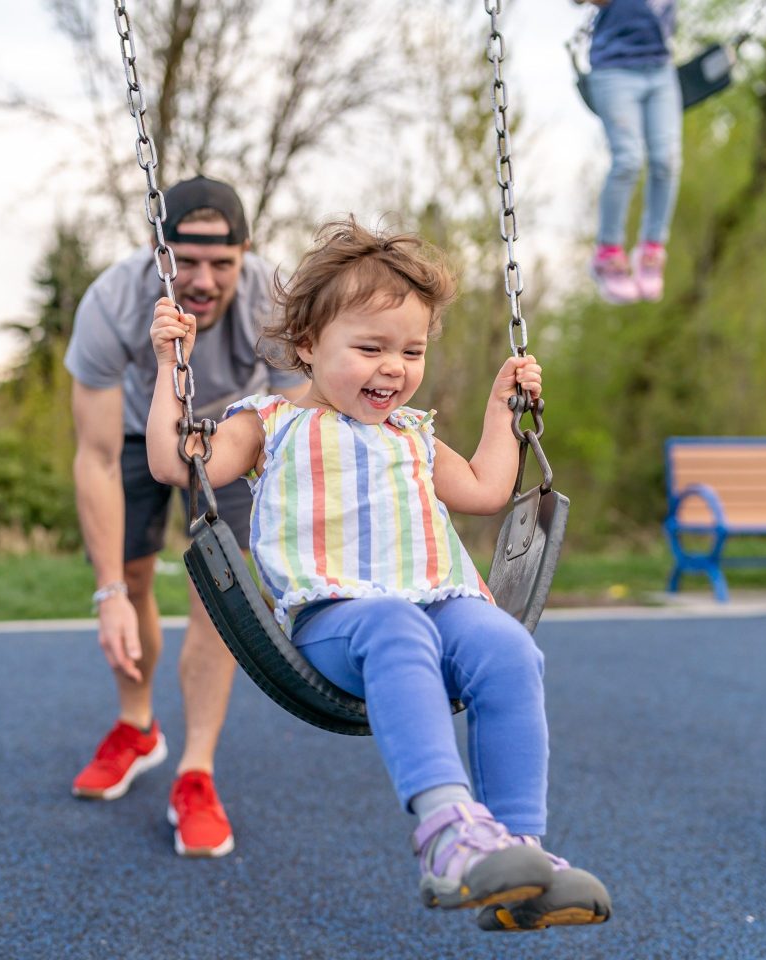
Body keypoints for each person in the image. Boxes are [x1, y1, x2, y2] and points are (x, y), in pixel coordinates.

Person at [145, 219, 612, 930]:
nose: (394, 366)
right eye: (370, 348)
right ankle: (446, 833)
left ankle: (518, 856)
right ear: (307, 346)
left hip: (440, 602)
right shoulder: (268, 423)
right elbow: (177, 464)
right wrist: (166, 367)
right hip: (339, 619)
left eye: (411, 350)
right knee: (396, 628)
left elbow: (489, 489)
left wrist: (501, 411)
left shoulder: (414, 435)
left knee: (509, 647)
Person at [63, 176, 308, 858]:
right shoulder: (112, 301)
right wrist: (108, 588)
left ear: (246, 254)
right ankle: (137, 727)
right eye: (185, 262)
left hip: (233, 430)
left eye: (220, 264)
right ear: (156, 250)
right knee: (132, 580)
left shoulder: (274, 301)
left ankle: (195, 771)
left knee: (219, 594)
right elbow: (97, 456)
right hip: (145, 431)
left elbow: (303, 423)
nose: (201, 281)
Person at [578, 0, 681, 304]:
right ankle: (607, 253)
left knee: (667, 160)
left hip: (661, 68)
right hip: (615, 67)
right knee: (628, 159)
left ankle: (652, 250)